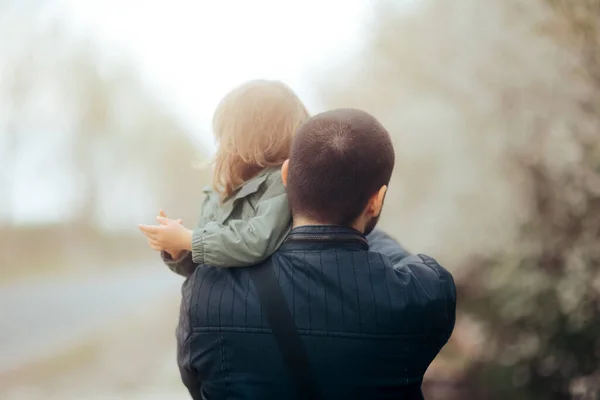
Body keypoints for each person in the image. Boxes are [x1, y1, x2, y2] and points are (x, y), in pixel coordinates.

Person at [173, 108, 457, 400]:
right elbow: (395, 257)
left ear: (285, 176)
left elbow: (199, 386)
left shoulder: (206, 292)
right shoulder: (426, 294)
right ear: (377, 199)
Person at [138, 79, 309, 276]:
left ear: (252, 138)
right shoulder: (216, 193)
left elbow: (257, 241)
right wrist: (178, 250)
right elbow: (200, 267)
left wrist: (189, 239)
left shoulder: (280, 182)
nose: (222, 145)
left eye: (227, 136)